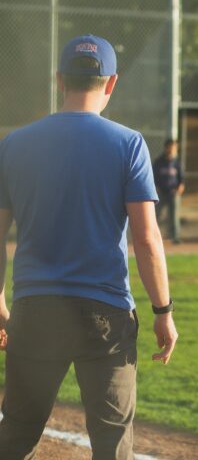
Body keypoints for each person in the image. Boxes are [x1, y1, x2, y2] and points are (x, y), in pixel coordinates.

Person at [0, 34, 178, 459]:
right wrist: (163, 311)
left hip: (35, 308)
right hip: (106, 315)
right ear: (111, 82)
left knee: (16, 437)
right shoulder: (128, 143)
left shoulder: (13, 144)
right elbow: (146, 239)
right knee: (112, 443)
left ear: (60, 80)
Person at [153, 139, 185, 244]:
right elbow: (153, 176)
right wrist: (156, 188)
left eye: (175, 147)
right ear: (166, 148)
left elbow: (181, 178)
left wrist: (180, 187)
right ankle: (154, 237)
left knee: (174, 216)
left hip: (173, 192)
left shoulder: (177, 162)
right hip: (160, 192)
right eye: (171, 147)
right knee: (156, 215)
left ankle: (175, 237)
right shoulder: (159, 161)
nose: (173, 150)